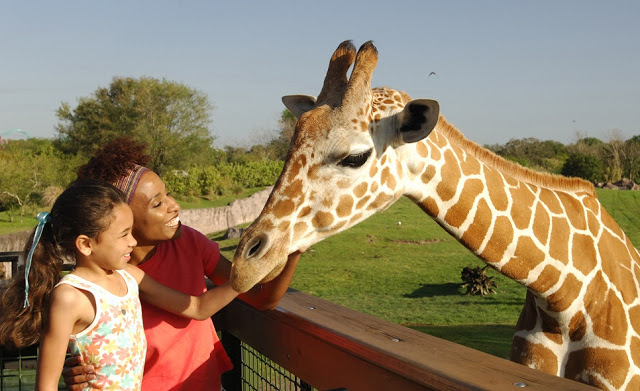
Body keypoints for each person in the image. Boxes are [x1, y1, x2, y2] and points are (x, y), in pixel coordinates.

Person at [63, 138, 301, 390]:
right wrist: (78, 370)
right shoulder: (106, 278)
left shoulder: (189, 242)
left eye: (167, 194)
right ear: (121, 218)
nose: (174, 206)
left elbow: (261, 298)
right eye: (157, 203)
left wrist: (294, 247)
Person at [0, 180, 241, 391]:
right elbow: (46, 385)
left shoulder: (129, 276)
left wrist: (242, 281)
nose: (133, 242)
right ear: (85, 244)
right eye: (124, 234)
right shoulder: (70, 297)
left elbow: (197, 308)